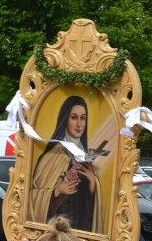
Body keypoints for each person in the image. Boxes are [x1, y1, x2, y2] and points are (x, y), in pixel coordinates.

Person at [30, 95, 102, 232]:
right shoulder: (52, 156)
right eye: (74, 117)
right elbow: (33, 196)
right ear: (65, 119)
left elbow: (91, 205)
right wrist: (57, 190)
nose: (79, 124)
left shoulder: (85, 157)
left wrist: (93, 182)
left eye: (83, 118)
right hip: (58, 228)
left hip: (81, 227)